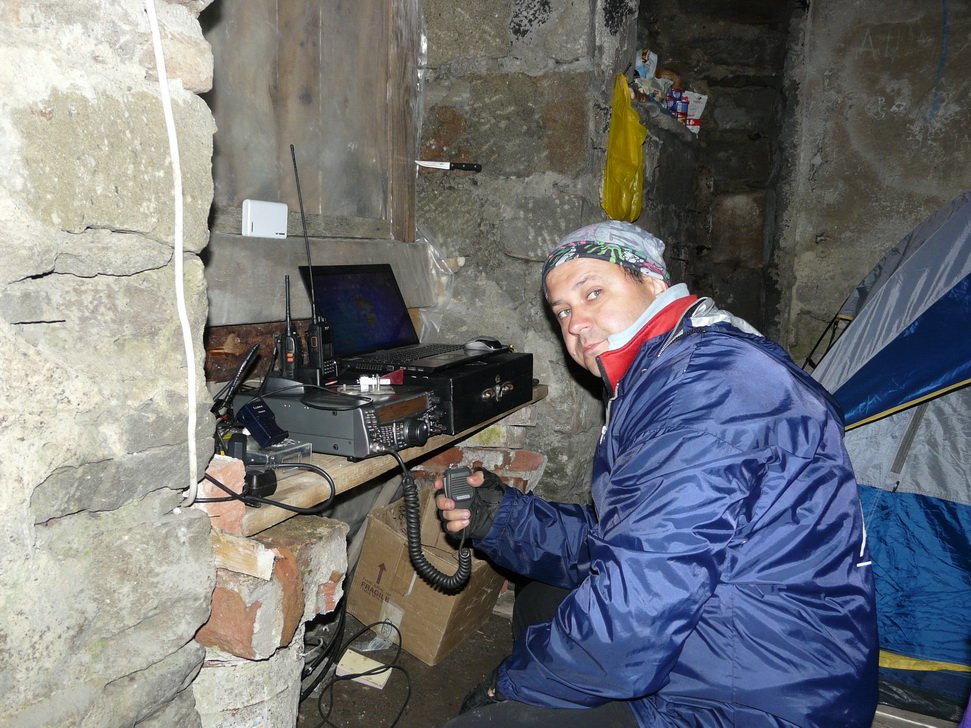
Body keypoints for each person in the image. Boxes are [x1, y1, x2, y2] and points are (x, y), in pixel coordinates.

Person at [435, 221, 878, 727]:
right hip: (743, 641)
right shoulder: (674, 367)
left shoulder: (705, 394)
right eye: (563, 311)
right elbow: (632, 537)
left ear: (652, 281)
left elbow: (634, 614)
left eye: (593, 293)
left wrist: (510, 684)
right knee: (542, 600)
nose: (576, 323)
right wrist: (505, 519)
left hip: (755, 703)